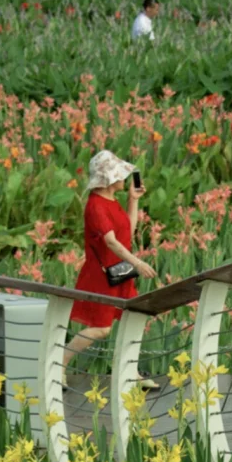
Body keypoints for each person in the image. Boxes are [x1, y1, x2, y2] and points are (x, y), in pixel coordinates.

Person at [63, 150, 156, 381]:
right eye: (120, 174)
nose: (124, 178)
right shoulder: (95, 206)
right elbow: (111, 242)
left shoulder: (112, 202)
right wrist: (138, 262)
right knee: (102, 328)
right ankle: (59, 362)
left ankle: (129, 371)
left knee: (131, 318)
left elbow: (127, 232)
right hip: (102, 274)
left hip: (120, 271)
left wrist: (133, 201)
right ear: (109, 179)